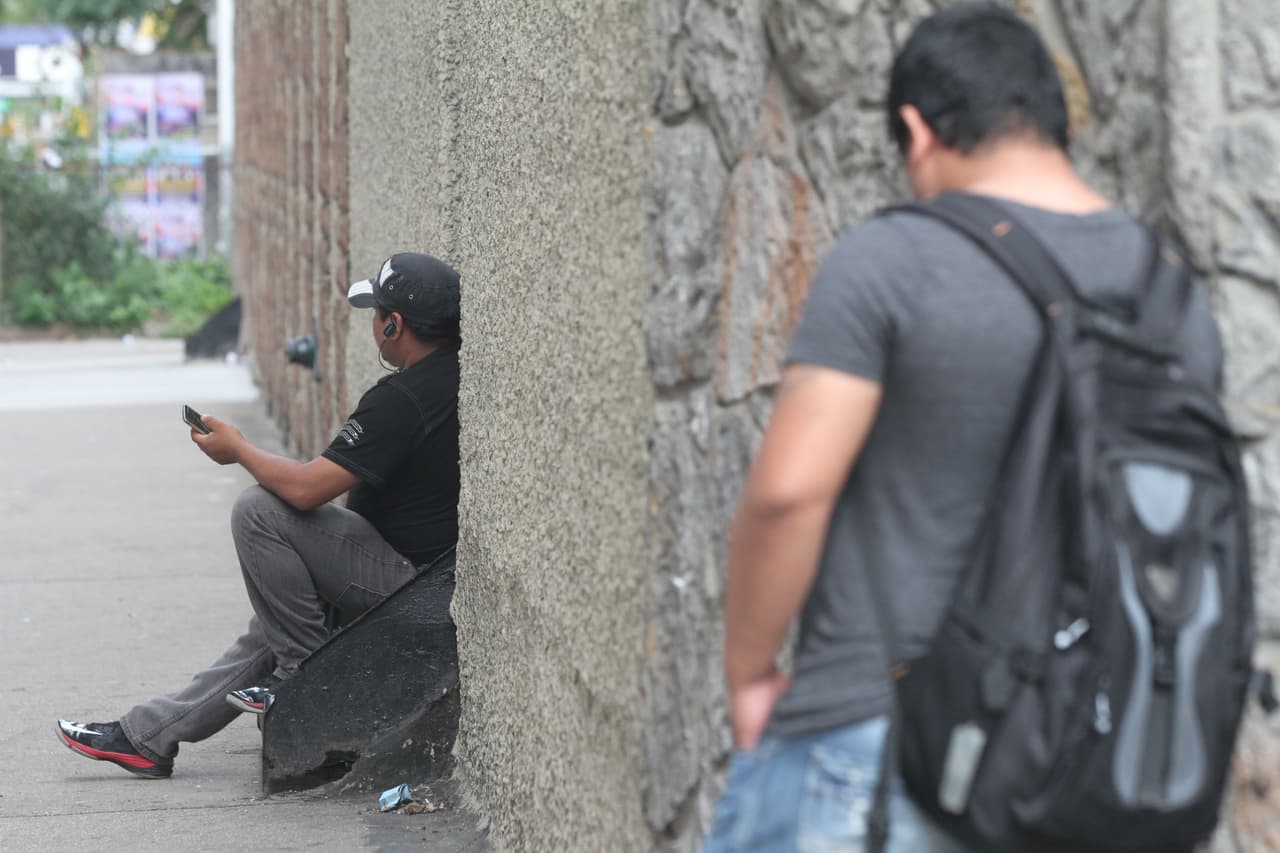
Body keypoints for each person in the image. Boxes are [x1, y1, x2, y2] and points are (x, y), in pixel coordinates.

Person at [704, 5, 1223, 852]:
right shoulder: (1172, 291)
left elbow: (789, 492)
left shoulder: (894, 260)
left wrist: (752, 675)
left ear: (916, 129)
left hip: (886, 744)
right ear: (1053, 119)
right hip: (1097, 759)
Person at [57, 252, 463, 779]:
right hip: (416, 577)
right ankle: (148, 738)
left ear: (394, 324)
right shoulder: (449, 375)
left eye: (375, 313)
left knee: (258, 509)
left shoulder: (404, 398)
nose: (373, 325)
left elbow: (305, 489)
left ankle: (305, 682)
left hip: (411, 590)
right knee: (266, 633)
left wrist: (240, 450)